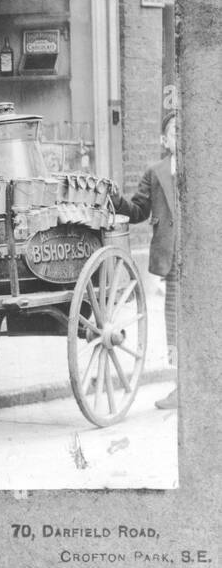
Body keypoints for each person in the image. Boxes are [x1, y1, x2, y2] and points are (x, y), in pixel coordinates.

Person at [111, 111, 179, 409]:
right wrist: (115, 199)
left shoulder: (209, 168)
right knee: (175, 323)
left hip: (205, 260)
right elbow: (138, 211)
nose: (181, 135)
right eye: (175, 131)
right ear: (165, 140)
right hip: (174, 261)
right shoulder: (155, 172)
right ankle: (181, 386)